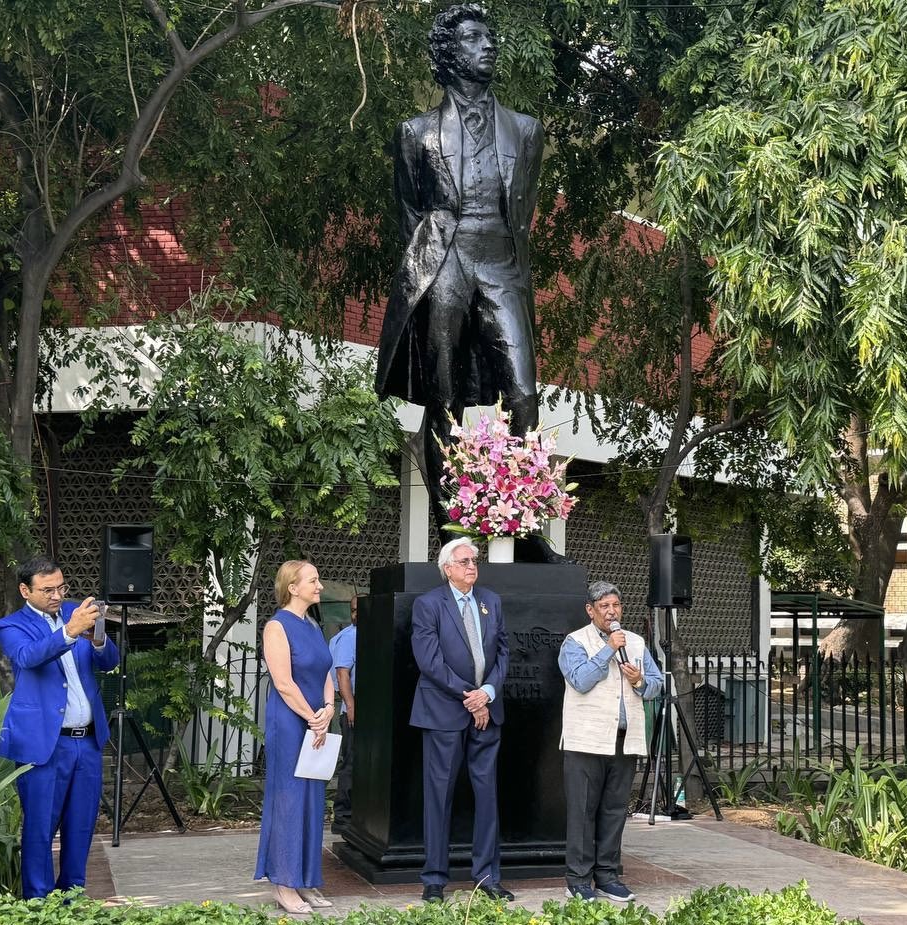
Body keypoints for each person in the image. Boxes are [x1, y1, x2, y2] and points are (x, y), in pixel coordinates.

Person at [375, 5, 559, 563]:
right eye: (476, 38)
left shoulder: (526, 131)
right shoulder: (415, 134)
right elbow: (411, 218)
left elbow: (522, 214)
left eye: (490, 37)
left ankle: (528, 535)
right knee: (445, 400)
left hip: (501, 261)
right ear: (450, 53)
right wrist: (428, 284)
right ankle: (451, 532)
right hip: (444, 263)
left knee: (523, 393)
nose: (489, 46)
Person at [0, 555, 120, 899]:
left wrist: (96, 636)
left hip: (87, 741)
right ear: (25, 590)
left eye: (61, 587)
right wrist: (69, 631)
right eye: (47, 589)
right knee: (39, 827)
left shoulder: (76, 611)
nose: (57, 595)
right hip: (43, 744)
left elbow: (110, 661)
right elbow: (27, 658)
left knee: (81, 826)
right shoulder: (10, 625)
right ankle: (38, 903)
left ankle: (72, 897)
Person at [410, 538, 512, 903]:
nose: (472, 566)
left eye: (475, 560)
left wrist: (487, 692)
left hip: (487, 709)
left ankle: (488, 877)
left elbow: (503, 652)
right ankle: (435, 878)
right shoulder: (428, 605)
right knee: (439, 796)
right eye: (464, 561)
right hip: (444, 713)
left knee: (487, 796)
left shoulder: (491, 601)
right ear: (447, 568)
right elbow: (429, 661)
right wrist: (470, 697)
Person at [557, 581, 662, 903]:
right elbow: (581, 680)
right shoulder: (574, 642)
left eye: (615, 605)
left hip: (623, 740)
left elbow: (656, 685)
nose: (611, 611)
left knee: (615, 811)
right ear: (590, 610)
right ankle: (577, 879)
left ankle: (607, 876)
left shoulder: (636, 642)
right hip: (585, 741)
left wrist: (640, 680)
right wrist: (607, 650)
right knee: (582, 812)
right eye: (604, 606)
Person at [255, 560, 336, 915]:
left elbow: (326, 671)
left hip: (316, 720)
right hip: (290, 724)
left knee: (313, 800)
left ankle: (306, 880)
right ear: (293, 587)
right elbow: (284, 683)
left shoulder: (313, 626)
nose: (319, 586)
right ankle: (284, 885)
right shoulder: (277, 626)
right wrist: (312, 717)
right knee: (288, 799)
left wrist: (329, 708)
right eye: (313, 581)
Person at [329, 595, 358, 832]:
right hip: (353, 712)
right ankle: (343, 816)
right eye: (353, 610)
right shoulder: (350, 637)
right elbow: (342, 674)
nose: (356, 613)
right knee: (351, 763)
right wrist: (351, 705)